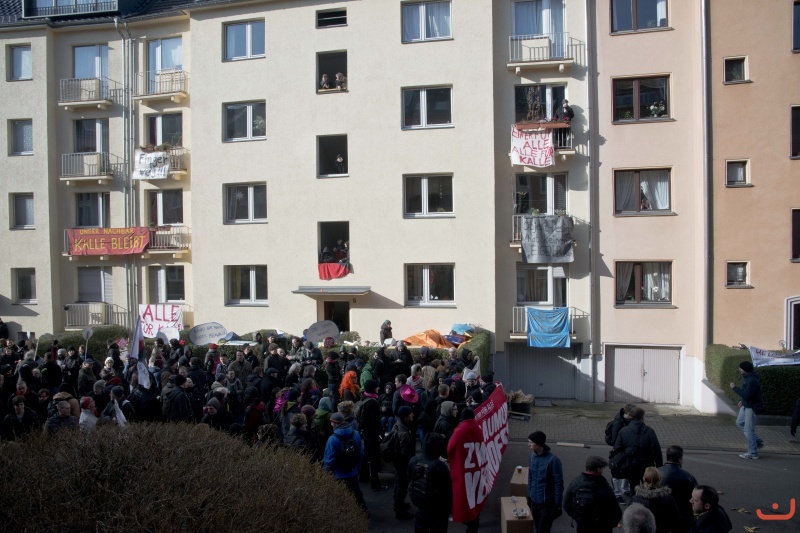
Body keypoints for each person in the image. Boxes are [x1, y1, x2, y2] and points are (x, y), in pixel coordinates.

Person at [323, 412, 368, 515]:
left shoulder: (332, 439)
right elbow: (361, 452)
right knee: (357, 494)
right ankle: (363, 514)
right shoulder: (355, 434)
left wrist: (326, 474)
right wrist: (357, 467)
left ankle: (344, 517)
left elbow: (329, 460)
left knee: (339, 497)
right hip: (352, 471)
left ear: (335, 423)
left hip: (338, 473)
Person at [564, 456, 622, 533]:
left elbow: (566, 504)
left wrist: (577, 518)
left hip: (582, 526)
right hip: (602, 526)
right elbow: (615, 510)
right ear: (598, 469)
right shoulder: (604, 486)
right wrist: (610, 524)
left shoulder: (575, 483)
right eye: (602, 468)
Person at [408, 432, 452, 533]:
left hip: (420, 508)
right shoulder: (440, 467)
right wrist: (449, 510)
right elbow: (447, 493)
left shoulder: (413, 461)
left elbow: (410, 481)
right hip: (438, 512)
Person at [613, 407, 663, 491]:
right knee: (648, 488)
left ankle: (634, 502)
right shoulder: (649, 431)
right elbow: (656, 451)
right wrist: (659, 467)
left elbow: (617, 448)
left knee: (633, 488)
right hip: (646, 466)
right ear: (642, 417)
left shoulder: (623, 431)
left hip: (630, 466)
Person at [527, 430, 564, 533]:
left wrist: (557, 505)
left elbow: (558, 484)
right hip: (534, 501)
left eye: (531, 442)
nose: (529, 444)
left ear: (538, 443)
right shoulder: (531, 457)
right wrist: (529, 495)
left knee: (543, 530)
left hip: (547, 503)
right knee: (538, 529)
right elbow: (530, 477)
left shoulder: (553, 460)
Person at [729, 360, 765, 459]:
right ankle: (757, 442)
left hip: (751, 407)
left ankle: (753, 453)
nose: (739, 370)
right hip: (746, 405)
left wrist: (734, 388)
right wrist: (742, 400)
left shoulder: (752, 381)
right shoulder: (747, 378)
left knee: (748, 430)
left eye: (740, 368)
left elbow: (748, 394)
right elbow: (746, 394)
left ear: (745, 369)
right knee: (740, 423)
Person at [629, 467, 681, 533]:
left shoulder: (635, 499)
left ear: (644, 479)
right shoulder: (668, 498)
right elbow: (676, 520)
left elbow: (630, 521)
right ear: (659, 479)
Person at [358, 379, 388, 491]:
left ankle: (363, 476)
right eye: (377, 386)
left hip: (365, 433)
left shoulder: (364, 398)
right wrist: (382, 435)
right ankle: (376, 484)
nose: (378, 388)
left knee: (366, 456)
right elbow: (376, 422)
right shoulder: (373, 402)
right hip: (372, 434)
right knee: (375, 459)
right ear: (372, 388)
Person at [659, 445, 698, 531]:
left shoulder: (656, 473)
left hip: (660, 514)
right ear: (680, 459)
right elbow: (696, 496)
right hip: (682, 515)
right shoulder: (688, 477)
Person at [389, 405, 416, 519]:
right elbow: (406, 453)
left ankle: (398, 504)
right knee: (402, 485)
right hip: (402, 463)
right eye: (411, 414)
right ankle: (399, 510)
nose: (413, 415)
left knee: (398, 484)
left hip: (397, 461)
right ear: (406, 417)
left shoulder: (398, 424)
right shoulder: (404, 432)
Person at [608, 403, 636, 502]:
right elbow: (614, 440)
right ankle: (617, 493)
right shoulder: (618, 423)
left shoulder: (627, 421)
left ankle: (625, 489)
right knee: (616, 473)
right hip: (619, 452)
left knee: (626, 471)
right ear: (628, 412)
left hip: (625, 450)